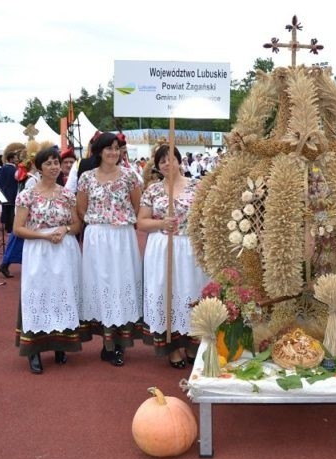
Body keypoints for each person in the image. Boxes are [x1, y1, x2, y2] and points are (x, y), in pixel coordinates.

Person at [137, 144, 210, 369]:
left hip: (189, 247)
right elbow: (141, 222)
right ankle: (171, 347)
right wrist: (161, 223)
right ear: (157, 167)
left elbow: (207, 215)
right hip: (162, 247)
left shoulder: (197, 186)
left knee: (190, 290)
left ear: (179, 161)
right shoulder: (152, 190)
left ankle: (191, 343)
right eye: (162, 161)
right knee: (167, 292)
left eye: (171, 159)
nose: (167, 163)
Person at [13, 147, 83, 374]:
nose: (54, 167)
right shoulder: (27, 195)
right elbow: (18, 229)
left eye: (56, 163)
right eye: (49, 163)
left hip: (63, 250)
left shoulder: (66, 194)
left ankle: (60, 343)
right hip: (38, 250)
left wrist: (64, 229)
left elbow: (76, 225)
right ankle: (33, 349)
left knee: (61, 293)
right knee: (37, 295)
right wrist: (43, 235)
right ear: (39, 167)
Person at [76, 132, 143, 367]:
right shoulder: (86, 178)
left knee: (122, 283)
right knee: (101, 285)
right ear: (99, 151)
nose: (113, 152)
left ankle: (121, 342)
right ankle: (107, 343)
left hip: (122, 236)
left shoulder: (129, 176)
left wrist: (118, 222)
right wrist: (99, 224)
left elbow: (136, 205)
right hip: (97, 237)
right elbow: (81, 209)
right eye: (109, 148)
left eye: (117, 148)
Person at [0, 147, 40, 278]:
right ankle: (5, 264)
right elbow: (27, 198)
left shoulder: (26, 176)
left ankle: (5, 263)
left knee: (16, 241)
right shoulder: (31, 179)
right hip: (25, 215)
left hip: (22, 214)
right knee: (17, 241)